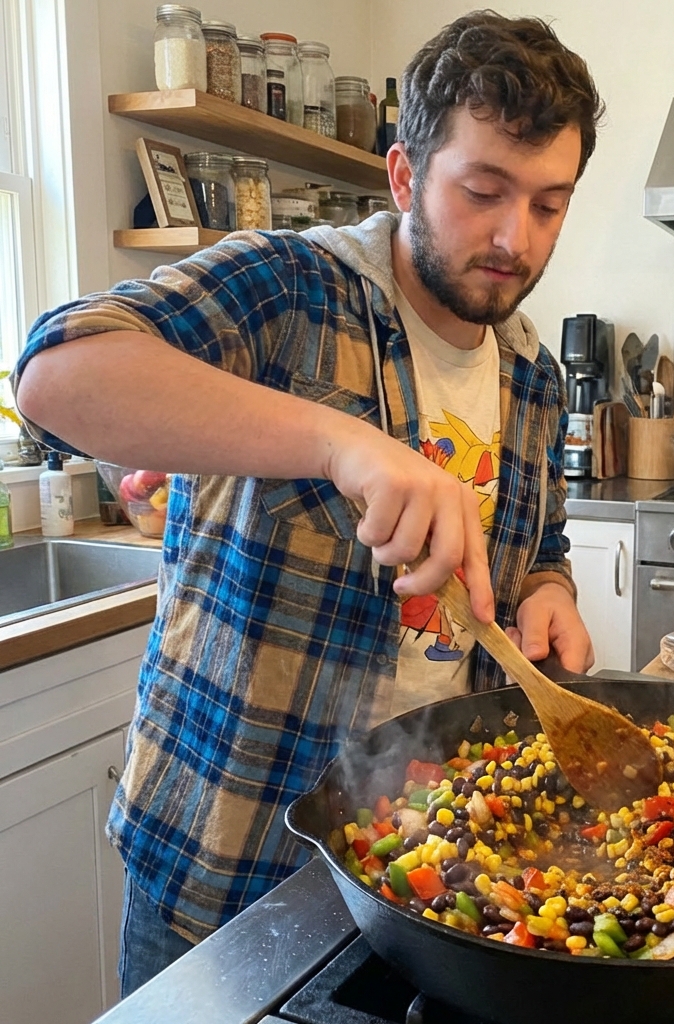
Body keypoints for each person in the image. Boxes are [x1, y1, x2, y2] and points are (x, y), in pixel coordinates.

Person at [13, 10, 603, 996]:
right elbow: (57, 377)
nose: (515, 238)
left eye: (549, 205)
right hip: (228, 861)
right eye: (484, 193)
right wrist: (343, 441)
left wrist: (549, 586)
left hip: (422, 870)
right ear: (406, 175)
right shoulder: (294, 286)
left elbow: (536, 540)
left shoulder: (533, 371)